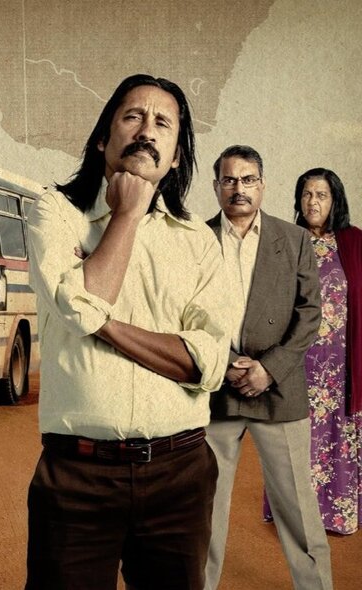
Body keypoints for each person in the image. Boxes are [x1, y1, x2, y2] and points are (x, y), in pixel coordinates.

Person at [26, 74, 231, 590]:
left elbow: (206, 364)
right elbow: (82, 308)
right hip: (78, 478)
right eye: (133, 116)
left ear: (177, 156)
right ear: (103, 137)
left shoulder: (199, 241)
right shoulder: (55, 212)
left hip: (180, 475)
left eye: (164, 123)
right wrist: (128, 213)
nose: (147, 131)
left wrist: (104, 325)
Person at [204, 147, 332, 589]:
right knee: (203, 510)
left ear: (263, 185)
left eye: (248, 179)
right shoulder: (196, 239)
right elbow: (180, 313)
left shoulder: (293, 239)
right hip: (214, 391)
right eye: (229, 180)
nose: (238, 188)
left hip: (279, 391)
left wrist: (269, 369)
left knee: (299, 512)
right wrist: (224, 365)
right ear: (216, 186)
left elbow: (309, 314)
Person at [263, 168, 362, 535]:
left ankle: (337, 514)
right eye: (306, 194)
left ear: (335, 200)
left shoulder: (354, 242)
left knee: (339, 434)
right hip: (299, 360)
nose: (313, 202)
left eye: (321, 195)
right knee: (298, 437)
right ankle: (294, 516)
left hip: (343, 365)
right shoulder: (288, 241)